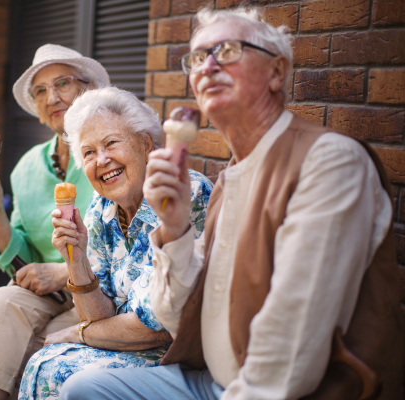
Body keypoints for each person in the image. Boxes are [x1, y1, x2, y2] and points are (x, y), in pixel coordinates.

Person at [59, 7, 404, 400]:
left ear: (276, 72)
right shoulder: (230, 180)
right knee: (84, 389)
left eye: (225, 52)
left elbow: (291, 353)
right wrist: (174, 230)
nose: (206, 67)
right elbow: (176, 318)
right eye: (196, 58)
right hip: (207, 378)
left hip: (283, 391)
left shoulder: (328, 163)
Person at [17, 86, 213, 399]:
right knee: (44, 363)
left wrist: (79, 334)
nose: (102, 160)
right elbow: (97, 315)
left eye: (111, 143)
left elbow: (156, 327)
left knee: (60, 369)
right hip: (129, 348)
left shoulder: (184, 196)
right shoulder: (101, 207)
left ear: (146, 144)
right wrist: (75, 258)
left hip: (179, 357)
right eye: (89, 152)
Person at [0, 44, 110, 400]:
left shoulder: (108, 154)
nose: (51, 96)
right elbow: (21, 266)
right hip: (50, 294)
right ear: (38, 110)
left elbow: (129, 240)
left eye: (63, 83)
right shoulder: (26, 166)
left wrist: (64, 272)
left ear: (88, 90)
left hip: (101, 291)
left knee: (23, 349)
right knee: (0, 302)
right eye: (41, 90)